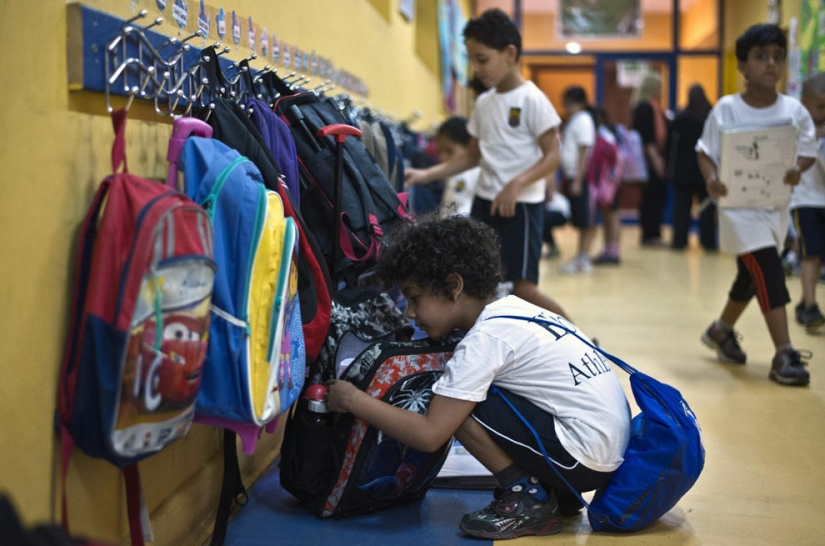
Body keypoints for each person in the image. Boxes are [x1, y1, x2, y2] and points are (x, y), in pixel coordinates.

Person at [326, 215, 631, 540]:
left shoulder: (484, 340)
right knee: (473, 390)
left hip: (583, 459)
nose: (409, 313)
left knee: (453, 402)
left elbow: (431, 434)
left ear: (454, 286)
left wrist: (355, 400)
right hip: (608, 451)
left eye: (415, 298)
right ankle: (557, 490)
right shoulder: (516, 308)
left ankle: (529, 497)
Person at [404, 8, 570, 319]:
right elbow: (472, 155)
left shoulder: (533, 100)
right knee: (478, 285)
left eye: (482, 59)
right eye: (471, 59)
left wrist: (517, 183)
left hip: (520, 207)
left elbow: (553, 156)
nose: (476, 68)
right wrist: (427, 173)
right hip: (485, 203)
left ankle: (580, 342)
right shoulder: (483, 103)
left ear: (510, 53)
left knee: (523, 289)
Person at [697, 23, 816, 387]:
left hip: (774, 208)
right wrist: (711, 179)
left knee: (752, 276)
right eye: (761, 57)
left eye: (778, 57)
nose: (771, 64)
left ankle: (721, 329)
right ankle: (784, 353)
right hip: (737, 209)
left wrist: (797, 168)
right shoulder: (726, 110)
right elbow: (704, 152)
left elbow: (807, 151)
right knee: (768, 269)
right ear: (743, 67)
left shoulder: (794, 111)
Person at [790, 73, 825, 332]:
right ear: (805, 103)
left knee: (819, 255)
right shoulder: (798, 127)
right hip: (806, 200)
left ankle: (804, 302)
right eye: (820, 107)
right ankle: (812, 306)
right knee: (809, 253)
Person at [667, 84, 717, 251]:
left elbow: (671, 146)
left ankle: (679, 241)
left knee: (681, 208)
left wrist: (669, 167)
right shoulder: (710, 116)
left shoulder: (681, 118)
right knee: (707, 209)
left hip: (683, 172)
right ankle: (708, 241)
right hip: (705, 170)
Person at [557, 86, 597, 274]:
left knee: (586, 219)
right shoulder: (574, 121)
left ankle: (584, 257)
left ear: (580, 103)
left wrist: (578, 180)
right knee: (580, 219)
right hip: (573, 176)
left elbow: (583, 150)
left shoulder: (583, 120)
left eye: (569, 103)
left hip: (581, 177)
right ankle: (581, 255)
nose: (566, 107)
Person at [633, 72, 670, 246]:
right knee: (652, 197)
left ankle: (653, 232)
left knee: (656, 196)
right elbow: (646, 138)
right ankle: (650, 233)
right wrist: (656, 160)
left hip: (655, 156)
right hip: (649, 159)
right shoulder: (644, 108)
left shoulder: (656, 108)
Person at [589, 106, 625, 265]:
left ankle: (613, 251)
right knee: (607, 215)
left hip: (610, 182)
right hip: (609, 182)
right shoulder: (604, 134)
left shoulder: (605, 136)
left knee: (612, 215)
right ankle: (608, 249)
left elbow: (615, 160)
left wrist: (610, 181)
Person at [434, 117, 480, 217]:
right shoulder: (451, 176)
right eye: (439, 151)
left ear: (469, 150)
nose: (442, 157)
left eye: (449, 151)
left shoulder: (467, 174)